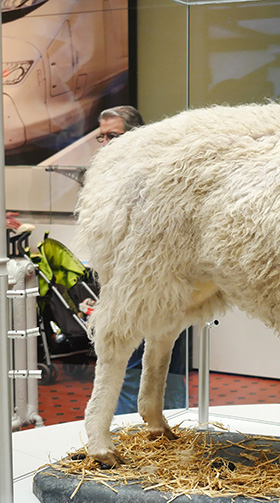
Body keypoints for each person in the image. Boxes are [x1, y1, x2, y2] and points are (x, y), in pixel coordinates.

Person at [93, 105, 188, 414]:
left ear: (134, 135)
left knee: (162, 358)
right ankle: (125, 428)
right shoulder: (106, 176)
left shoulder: (159, 171)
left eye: (114, 136)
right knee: (125, 359)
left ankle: (170, 418)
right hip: (126, 287)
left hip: (165, 283)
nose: (106, 143)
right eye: (102, 136)